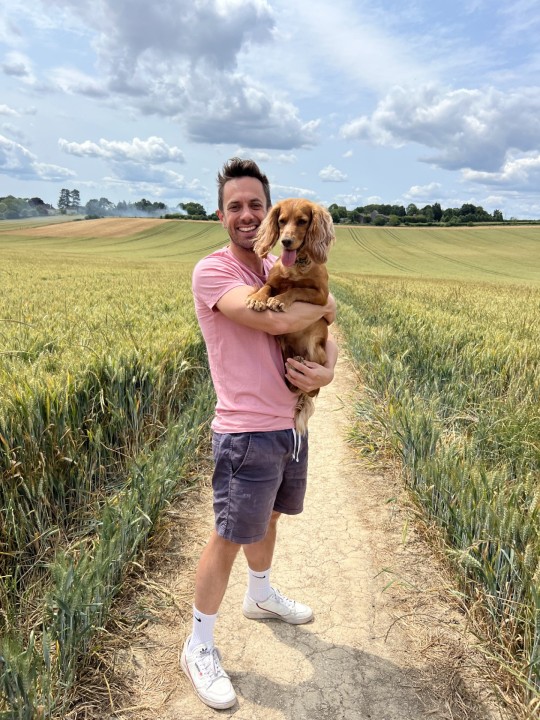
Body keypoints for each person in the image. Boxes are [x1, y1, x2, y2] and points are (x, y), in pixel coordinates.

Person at [180, 157, 338, 709]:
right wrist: (330, 302)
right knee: (229, 533)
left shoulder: (274, 264)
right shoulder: (214, 271)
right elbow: (275, 320)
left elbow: (322, 329)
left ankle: (261, 595)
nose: (247, 216)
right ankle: (199, 646)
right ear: (222, 215)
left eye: (254, 205)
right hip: (246, 430)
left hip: (288, 423)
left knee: (269, 519)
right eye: (235, 207)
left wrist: (329, 368)